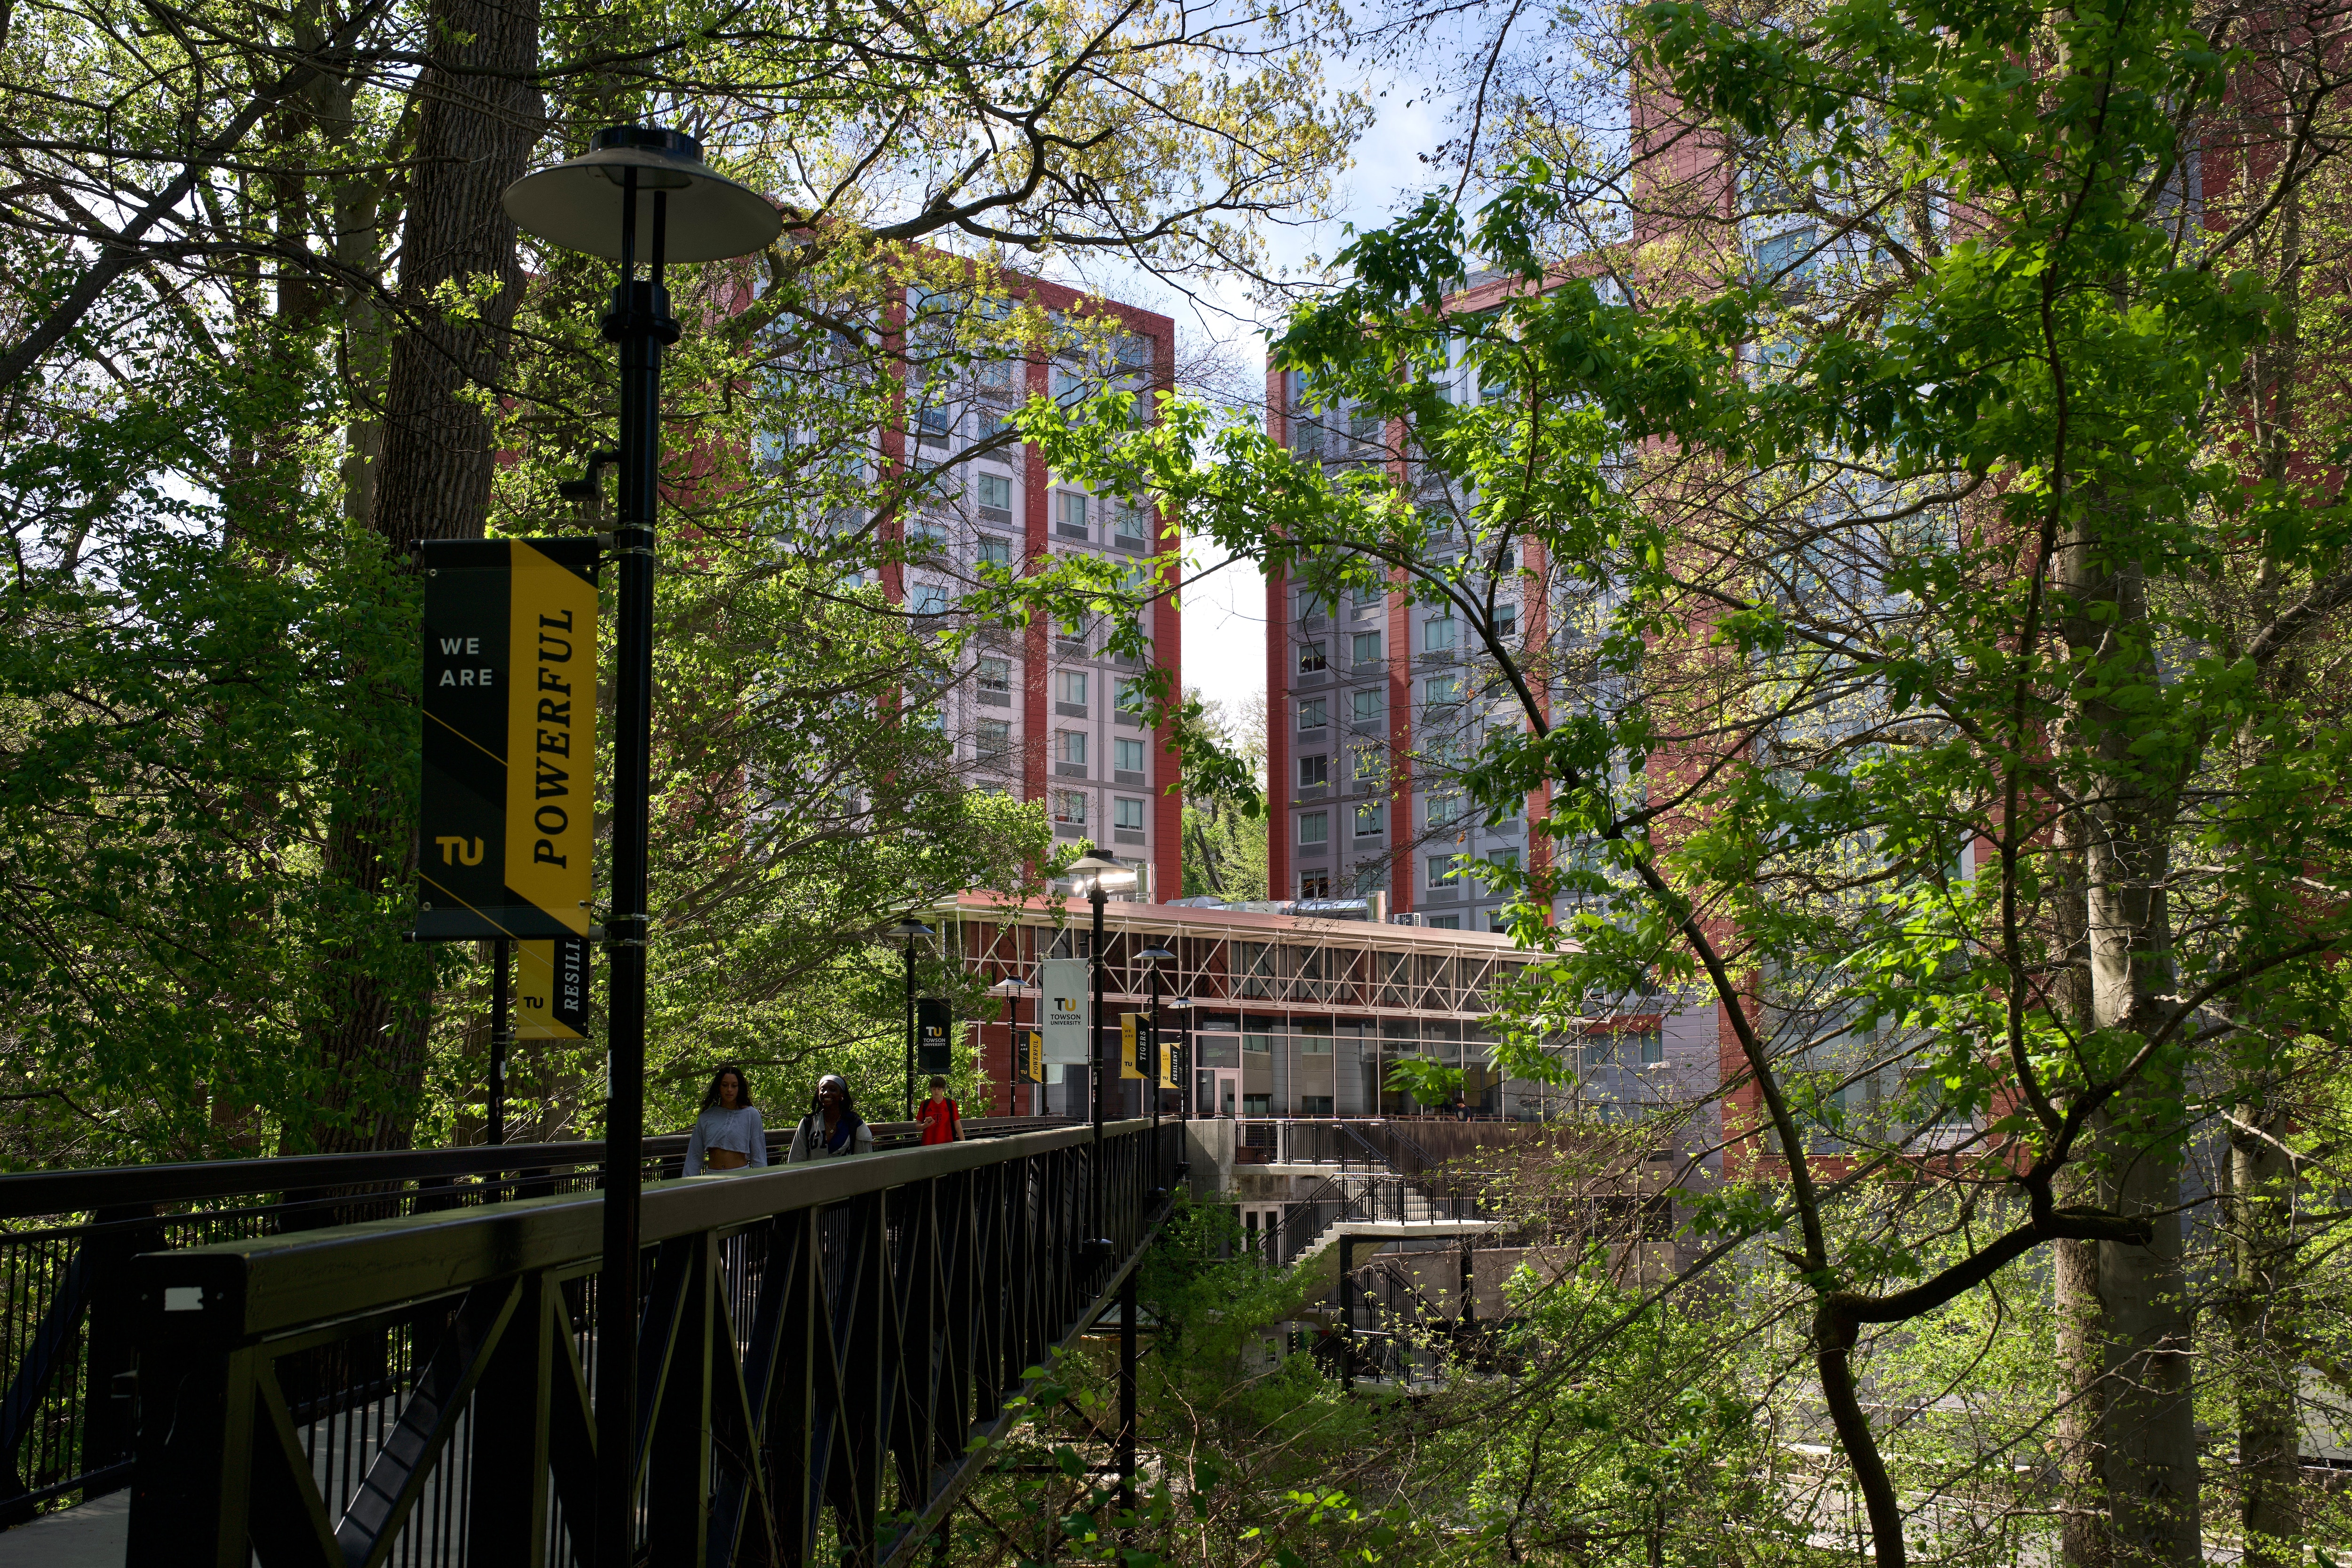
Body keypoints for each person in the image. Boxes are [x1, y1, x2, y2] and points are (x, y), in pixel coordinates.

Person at [683, 1064, 768, 1176]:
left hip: (741, 1176)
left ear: (740, 1088)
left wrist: (762, 1182)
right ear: (719, 1087)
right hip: (712, 1177)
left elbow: (759, 1156)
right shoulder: (707, 1116)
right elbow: (694, 1156)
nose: (729, 1090)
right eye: (725, 1085)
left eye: (734, 1086)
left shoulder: (751, 1115)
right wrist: (687, 1182)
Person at [787, 1074, 874, 1161]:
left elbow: (865, 1162)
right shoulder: (808, 1123)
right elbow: (796, 1159)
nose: (826, 1093)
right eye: (823, 1089)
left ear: (842, 1094)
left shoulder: (856, 1125)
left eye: (833, 1090)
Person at [916, 1075, 963, 1145]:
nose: (936, 1091)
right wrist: (925, 1125)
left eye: (939, 1089)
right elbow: (918, 1126)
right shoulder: (925, 1104)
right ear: (931, 1089)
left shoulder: (951, 1104)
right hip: (928, 1145)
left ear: (943, 1089)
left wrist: (964, 1144)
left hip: (948, 1144)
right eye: (934, 1089)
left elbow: (958, 1126)